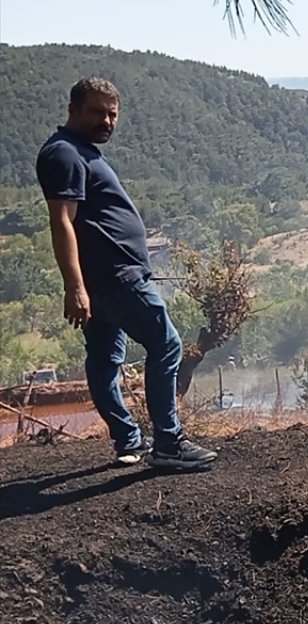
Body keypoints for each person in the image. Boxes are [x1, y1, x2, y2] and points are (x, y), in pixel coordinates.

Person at [36, 77, 218, 470]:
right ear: (73, 109)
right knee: (166, 345)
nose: (107, 121)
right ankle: (169, 444)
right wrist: (75, 287)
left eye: (112, 114)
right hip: (116, 278)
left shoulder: (80, 151)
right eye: (97, 112)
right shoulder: (65, 154)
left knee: (104, 361)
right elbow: (62, 222)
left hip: (104, 279)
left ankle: (128, 441)